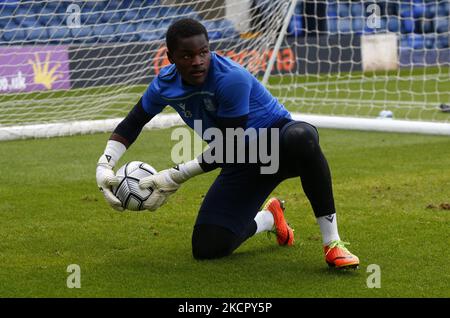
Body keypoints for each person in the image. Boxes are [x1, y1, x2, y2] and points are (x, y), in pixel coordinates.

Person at [96, 18, 359, 269]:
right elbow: (132, 123)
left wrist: (176, 175)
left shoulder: (231, 78)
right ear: (171, 58)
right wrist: (104, 166)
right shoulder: (164, 85)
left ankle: (332, 243)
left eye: (203, 52)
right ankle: (269, 218)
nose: (197, 61)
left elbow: (231, 143)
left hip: (279, 144)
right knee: (207, 247)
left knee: (303, 137)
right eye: (187, 56)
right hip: (241, 161)